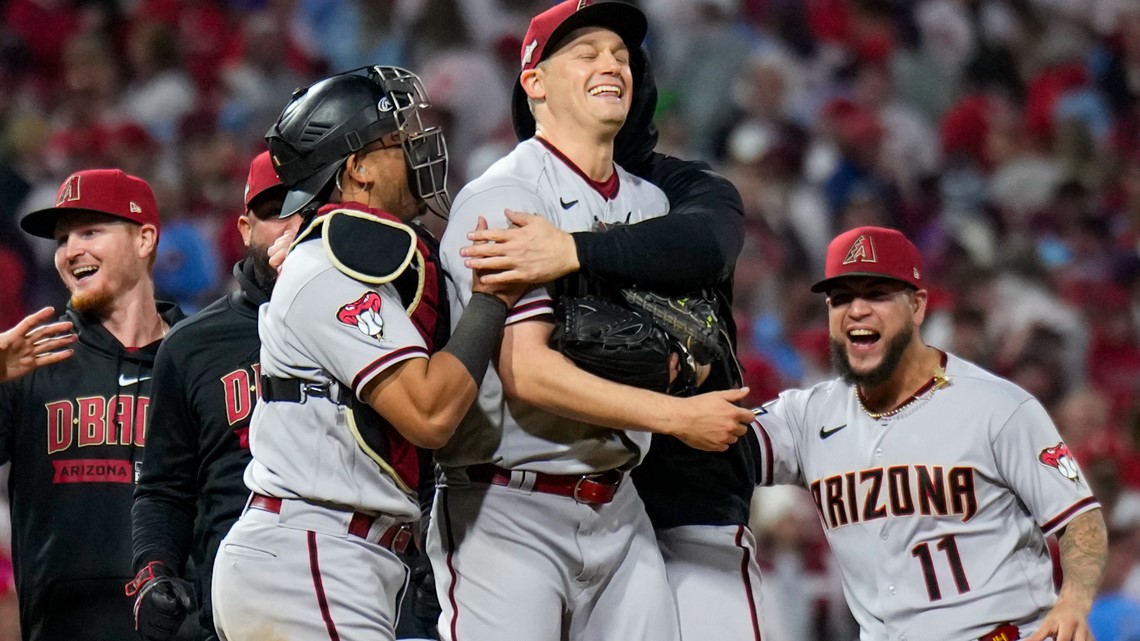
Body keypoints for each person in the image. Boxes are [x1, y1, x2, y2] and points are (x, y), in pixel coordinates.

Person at [430, 2, 756, 640]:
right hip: (510, 504)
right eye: (586, 53)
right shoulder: (505, 195)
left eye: (620, 54)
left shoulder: (653, 202)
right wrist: (678, 416)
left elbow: (690, 342)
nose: (612, 64)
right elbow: (525, 369)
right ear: (535, 81)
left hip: (619, 503)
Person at [210, 65, 529, 641]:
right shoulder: (328, 268)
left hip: (330, 552)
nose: (415, 147)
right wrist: (493, 299)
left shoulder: (345, 258)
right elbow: (430, 412)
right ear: (356, 166)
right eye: (397, 139)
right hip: (311, 554)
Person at [749, 225, 1108, 641]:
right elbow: (720, 447)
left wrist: (1074, 600)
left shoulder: (999, 407)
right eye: (842, 298)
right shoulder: (807, 415)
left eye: (877, 294)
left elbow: (1081, 518)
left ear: (918, 306)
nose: (857, 310)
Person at [1, 168, 184, 641]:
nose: (70, 251)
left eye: (90, 231)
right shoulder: (32, 358)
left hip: (187, 623)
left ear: (145, 240)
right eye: (63, 239)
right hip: (66, 628)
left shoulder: (195, 359)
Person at [127, 151, 297, 641]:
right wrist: (154, 571)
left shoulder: (365, 323)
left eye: (308, 207)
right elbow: (163, 487)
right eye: (275, 212)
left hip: (354, 585)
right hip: (234, 603)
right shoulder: (192, 345)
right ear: (245, 228)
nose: (292, 226)